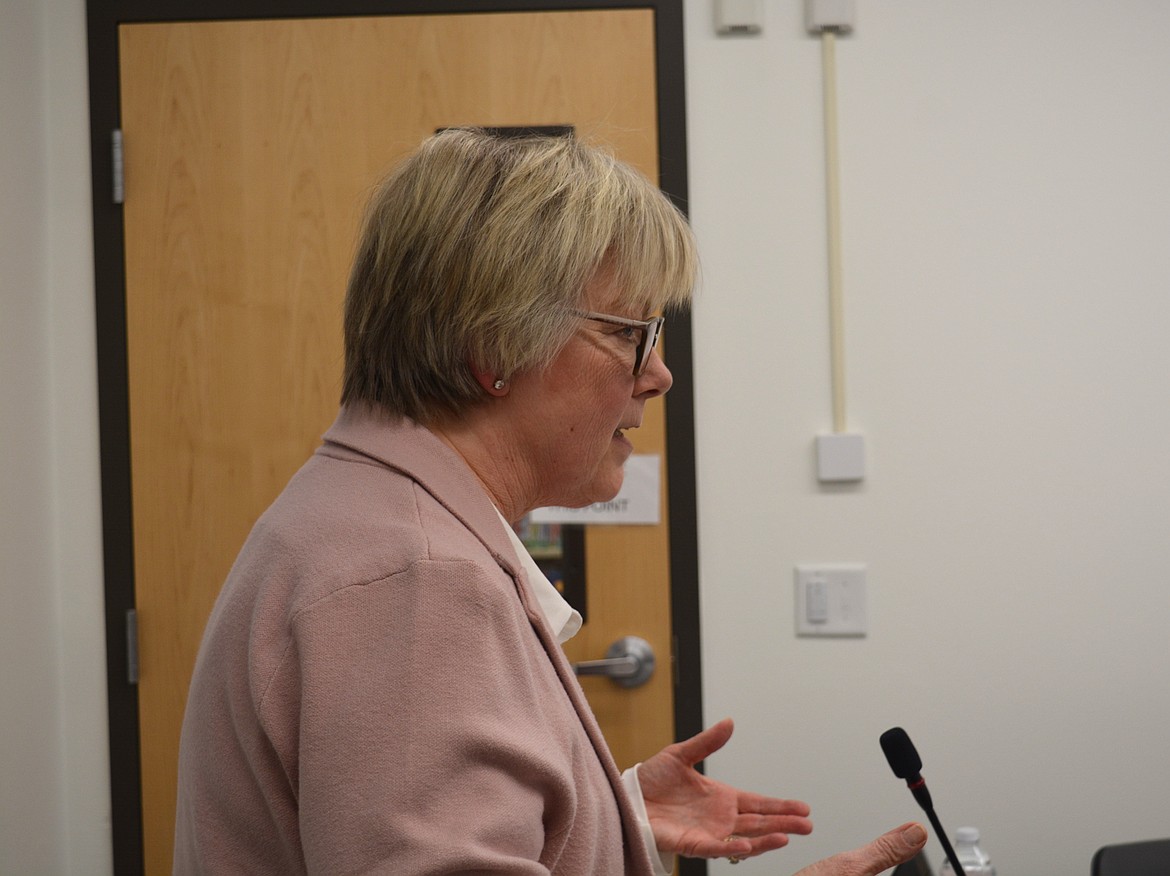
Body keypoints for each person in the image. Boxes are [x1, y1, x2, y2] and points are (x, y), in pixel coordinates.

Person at [173, 128, 926, 874]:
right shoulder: (420, 581)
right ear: (497, 351)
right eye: (633, 333)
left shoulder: (364, 512)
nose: (658, 374)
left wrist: (606, 811)